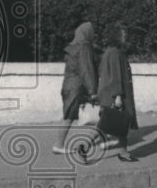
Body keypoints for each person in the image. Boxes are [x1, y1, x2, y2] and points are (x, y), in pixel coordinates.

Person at [81, 27, 140, 163]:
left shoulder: (110, 52)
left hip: (111, 93)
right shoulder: (114, 53)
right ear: (116, 36)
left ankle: (123, 152)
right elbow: (115, 76)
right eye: (123, 35)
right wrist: (118, 95)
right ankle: (84, 146)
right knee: (108, 125)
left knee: (118, 125)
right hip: (115, 95)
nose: (125, 37)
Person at [52, 22, 98, 154]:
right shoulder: (84, 48)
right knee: (99, 113)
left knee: (69, 115)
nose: (93, 34)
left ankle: (59, 145)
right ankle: (83, 144)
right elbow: (86, 70)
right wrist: (93, 91)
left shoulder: (73, 47)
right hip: (78, 87)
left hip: (68, 86)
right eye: (92, 32)